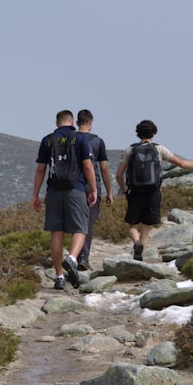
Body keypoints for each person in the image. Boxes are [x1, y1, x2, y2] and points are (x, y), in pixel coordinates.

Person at [115, 119, 193, 261]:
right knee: (146, 226)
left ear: (137, 134)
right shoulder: (159, 149)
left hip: (134, 192)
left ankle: (136, 243)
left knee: (132, 225)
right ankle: (140, 256)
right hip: (153, 192)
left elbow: (119, 174)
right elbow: (181, 163)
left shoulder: (130, 149)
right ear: (154, 133)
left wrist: (125, 190)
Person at [33, 110, 98, 290]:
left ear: (56, 123)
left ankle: (59, 276)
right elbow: (87, 166)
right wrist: (93, 189)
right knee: (80, 227)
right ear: (72, 123)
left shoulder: (47, 140)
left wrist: (35, 195)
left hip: (54, 191)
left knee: (56, 233)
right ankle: (72, 258)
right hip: (75, 189)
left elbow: (40, 170)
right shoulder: (80, 138)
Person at [76, 109, 113, 271]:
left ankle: (74, 256)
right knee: (88, 223)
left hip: (73, 186)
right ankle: (83, 257)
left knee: (76, 222)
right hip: (92, 186)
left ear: (77, 123)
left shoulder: (71, 140)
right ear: (91, 123)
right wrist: (109, 191)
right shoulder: (98, 142)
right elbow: (104, 168)